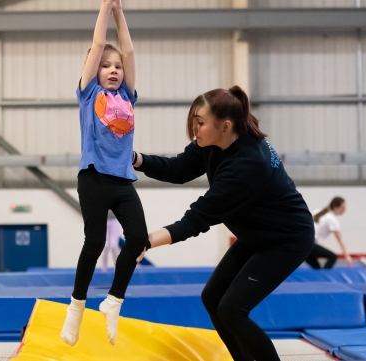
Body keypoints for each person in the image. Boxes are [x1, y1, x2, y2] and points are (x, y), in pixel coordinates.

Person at [133, 86, 315, 361]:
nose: (195, 129)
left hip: (286, 239)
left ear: (225, 126)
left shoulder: (247, 166)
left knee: (232, 310)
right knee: (213, 297)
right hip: (258, 235)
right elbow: (178, 169)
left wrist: (146, 242)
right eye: (194, 120)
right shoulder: (213, 143)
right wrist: (137, 160)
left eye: (201, 123)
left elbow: (196, 219)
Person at [60, 0, 149, 347]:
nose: (113, 70)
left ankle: (112, 302)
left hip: (123, 179)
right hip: (94, 177)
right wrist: (105, 7)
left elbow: (128, 50)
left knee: (138, 239)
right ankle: (76, 310)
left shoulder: (127, 95)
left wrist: (120, 13)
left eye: (117, 67)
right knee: (95, 241)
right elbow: (99, 45)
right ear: (93, 70)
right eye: (105, 66)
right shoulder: (89, 94)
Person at [306, 197, 351, 269]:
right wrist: (347, 256)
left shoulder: (319, 211)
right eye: (343, 207)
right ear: (336, 207)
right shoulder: (332, 219)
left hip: (304, 244)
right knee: (333, 256)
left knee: (317, 269)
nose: (344, 210)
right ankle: (324, 276)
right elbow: (340, 241)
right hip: (309, 244)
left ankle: (322, 278)